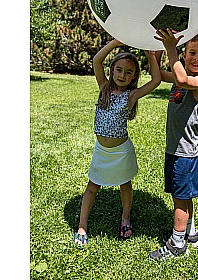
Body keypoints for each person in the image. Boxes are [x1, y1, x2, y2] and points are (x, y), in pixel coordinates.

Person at [74, 38, 161, 246]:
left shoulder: (131, 95)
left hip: (121, 152)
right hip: (102, 152)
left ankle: (125, 218)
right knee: (92, 187)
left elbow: (156, 80)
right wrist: (115, 42)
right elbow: (97, 61)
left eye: (128, 72)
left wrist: (151, 57)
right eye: (118, 70)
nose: (122, 75)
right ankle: (82, 226)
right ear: (112, 70)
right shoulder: (104, 87)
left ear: (134, 76)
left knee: (125, 185)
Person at [149, 29, 198, 260]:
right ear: (185, 55)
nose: (196, 58)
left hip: (185, 154)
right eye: (192, 53)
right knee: (184, 196)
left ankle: (177, 245)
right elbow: (157, 76)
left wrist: (170, 48)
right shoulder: (181, 77)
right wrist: (153, 55)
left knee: (179, 199)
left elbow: (182, 79)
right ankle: (191, 233)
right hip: (175, 150)